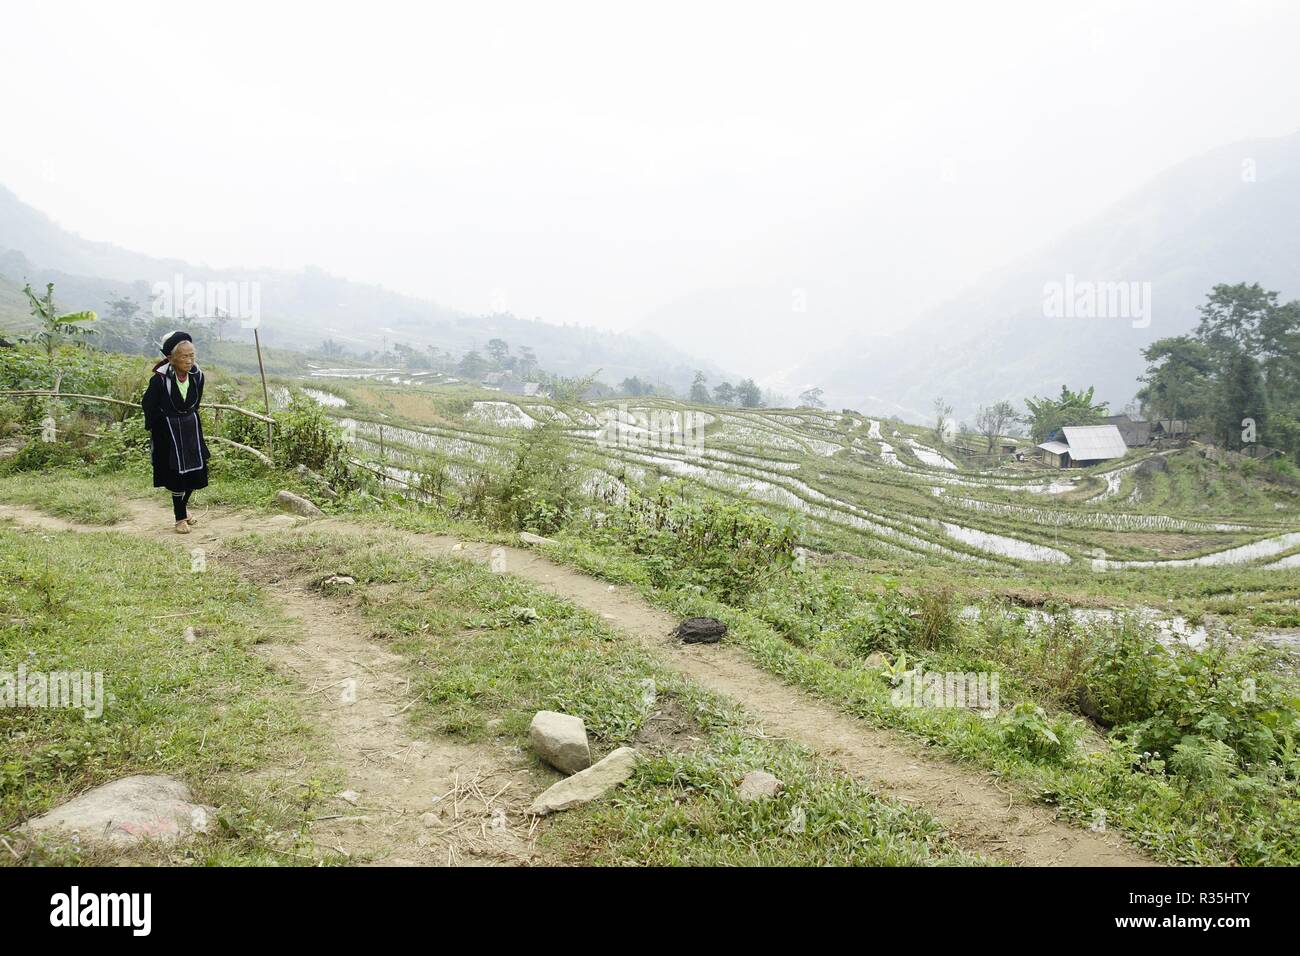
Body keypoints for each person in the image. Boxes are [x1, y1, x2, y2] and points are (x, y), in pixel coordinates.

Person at [141, 331, 210, 533]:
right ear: (170, 358)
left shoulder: (198, 375)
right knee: (176, 475)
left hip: (190, 429)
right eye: (184, 356)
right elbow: (149, 405)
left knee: (195, 471)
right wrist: (159, 429)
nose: (189, 360)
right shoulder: (160, 380)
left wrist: (188, 418)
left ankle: (184, 510)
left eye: (192, 355)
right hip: (168, 432)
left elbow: (195, 403)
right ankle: (180, 517)